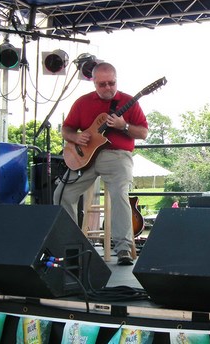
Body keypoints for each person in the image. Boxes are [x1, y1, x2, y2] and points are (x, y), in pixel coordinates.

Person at [54, 62, 148, 265]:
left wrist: (125, 126)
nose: (107, 88)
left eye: (111, 83)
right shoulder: (82, 102)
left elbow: (143, 133)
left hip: (117, 155)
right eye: (102, 84)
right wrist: (76, 138)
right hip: (86, 157)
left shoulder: (129, 101)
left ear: (117, 80)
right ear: (93, 82)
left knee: (119, 194)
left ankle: (122, 248)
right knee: (62, 194)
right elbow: (66, 129)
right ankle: (71, 245)